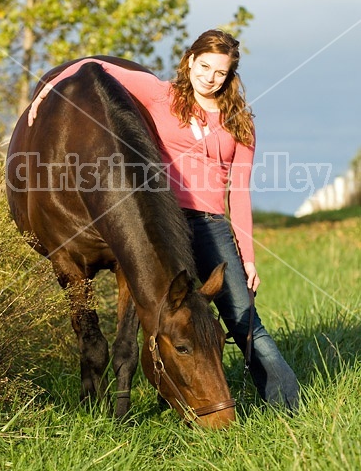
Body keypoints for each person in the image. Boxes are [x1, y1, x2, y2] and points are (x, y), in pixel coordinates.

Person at [28, 29, 299, 410]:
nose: (210, 77)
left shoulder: (240, 124)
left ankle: (286, 406)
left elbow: (239, 193)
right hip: (161, 223)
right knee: (166, 313)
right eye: (204, 66)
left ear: (230, 76)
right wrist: (47, 89)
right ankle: (170, 395)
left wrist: (248, 256)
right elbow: (93, 67)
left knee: (243, 320)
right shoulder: (160, 94)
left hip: (210, 225)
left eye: (220, 72)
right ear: (190, 61)